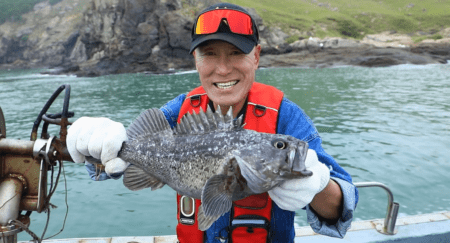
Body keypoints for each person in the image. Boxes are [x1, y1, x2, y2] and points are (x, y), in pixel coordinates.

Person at [67, 3, 358, 243]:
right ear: (196, 59)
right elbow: (119, 158)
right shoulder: (179, 110)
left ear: (256, 57)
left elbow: (342, 206)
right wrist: (97, 143)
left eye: (236, 53)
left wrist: (318, 185)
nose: (222, 68)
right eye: (209, 54)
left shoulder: (287, 117)